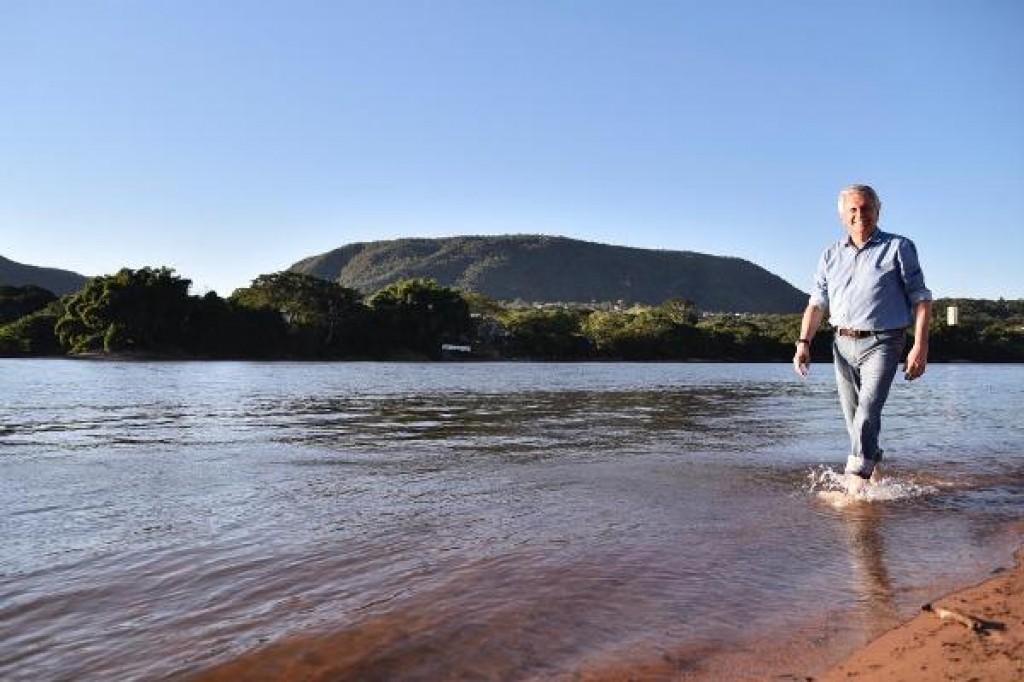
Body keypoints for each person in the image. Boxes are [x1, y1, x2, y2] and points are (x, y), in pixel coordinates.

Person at [793, 184, 932, 495]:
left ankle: (854, 485)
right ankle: (875, 476)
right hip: (841, 344)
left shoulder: (899, 247)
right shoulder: (829, 254)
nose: (860, 215)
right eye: (852, 210)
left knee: (867, 412)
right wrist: (803, 343)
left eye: (866, 208)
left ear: (877, 211)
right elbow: (817, 303)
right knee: (853, 419)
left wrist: (919, 347)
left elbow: (921, 300)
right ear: (843, 215)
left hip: (884, 341)